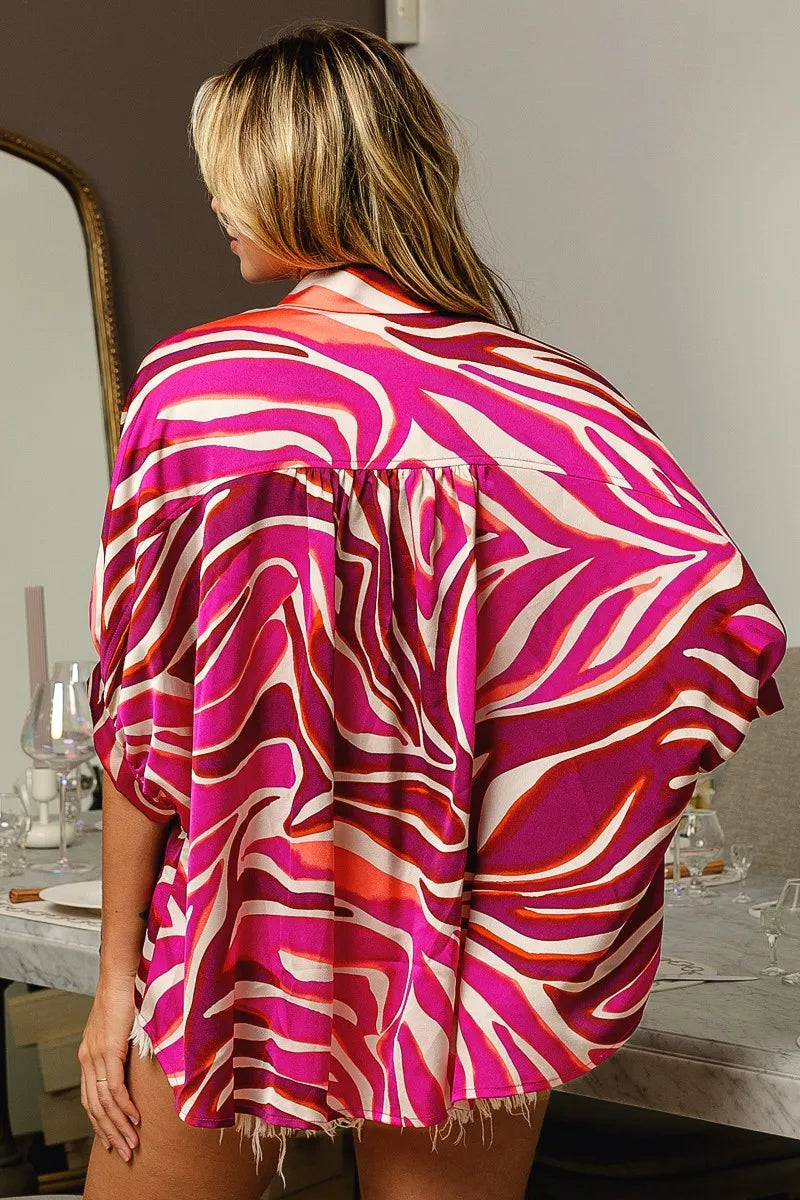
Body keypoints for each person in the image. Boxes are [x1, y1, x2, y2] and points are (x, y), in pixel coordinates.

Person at [78, 19, 787, 1200]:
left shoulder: (200, 391)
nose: (214, 201)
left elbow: (145, 711)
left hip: (236, 932)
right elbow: (706, 637)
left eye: (230, 172)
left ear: (299, 175)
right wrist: (541, 874)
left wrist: (116, 982)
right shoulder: (554, 398)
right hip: (465, 957)